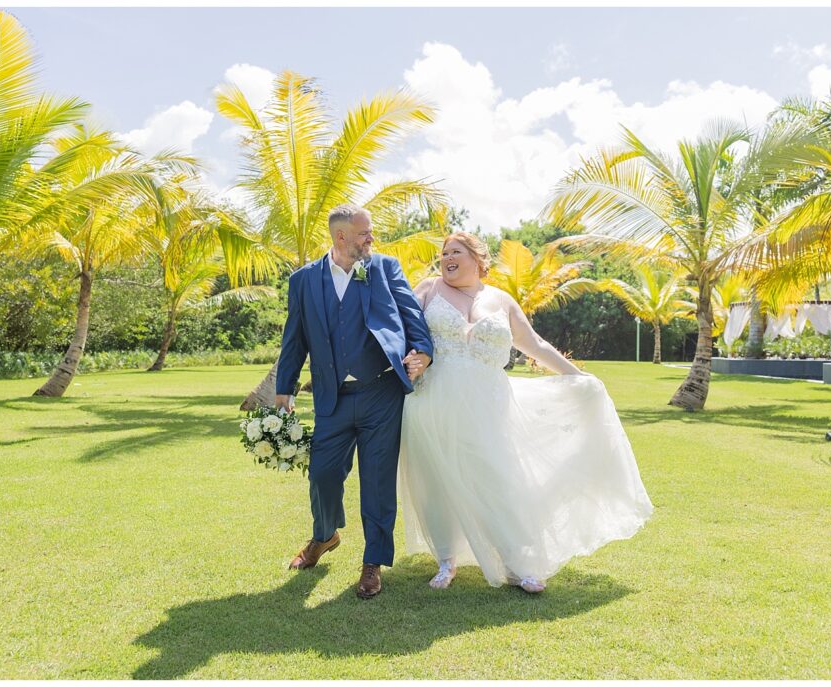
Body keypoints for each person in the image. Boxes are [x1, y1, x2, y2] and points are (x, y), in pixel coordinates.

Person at [399, 233, 653, 593]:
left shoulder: (502, 300)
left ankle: (518, 563)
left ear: (478, 259)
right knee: (436, 482)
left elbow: (535, 345)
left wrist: (577, 376)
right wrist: (412, 359)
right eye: (443, 254)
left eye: (455, 252)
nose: (446, 259)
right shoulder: (428, 289)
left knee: (496, 477)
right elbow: (401, 330)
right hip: (433, 401)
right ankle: (446, 561)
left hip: (488, 405)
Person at [275, 204, 433, 599]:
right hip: (332, 396)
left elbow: (411, 315)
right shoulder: (303, 281)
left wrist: (423, 352)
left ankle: (372, 562)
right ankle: (324, 536)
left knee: (377, 482)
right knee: (323, 476)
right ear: (341, 237)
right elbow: (293, 338)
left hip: (381, 392)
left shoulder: (384, 267)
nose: (371, 239)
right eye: (364, 233)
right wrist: (284, 389)